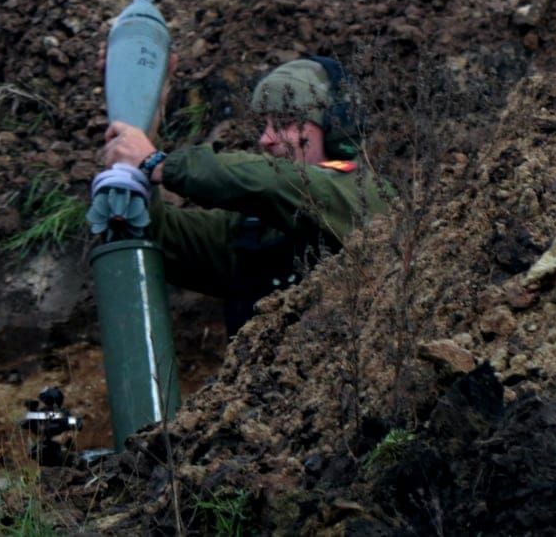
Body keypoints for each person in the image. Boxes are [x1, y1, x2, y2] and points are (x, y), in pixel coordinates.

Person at [102, 56, 390, 335]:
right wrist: (143, 122)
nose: (266, 139)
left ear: (334, 127)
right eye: (264, 125)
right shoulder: (254, 228)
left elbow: (276, 182)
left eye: (286, 122)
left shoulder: (363, 194)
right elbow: (154, 236)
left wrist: (159, 163)